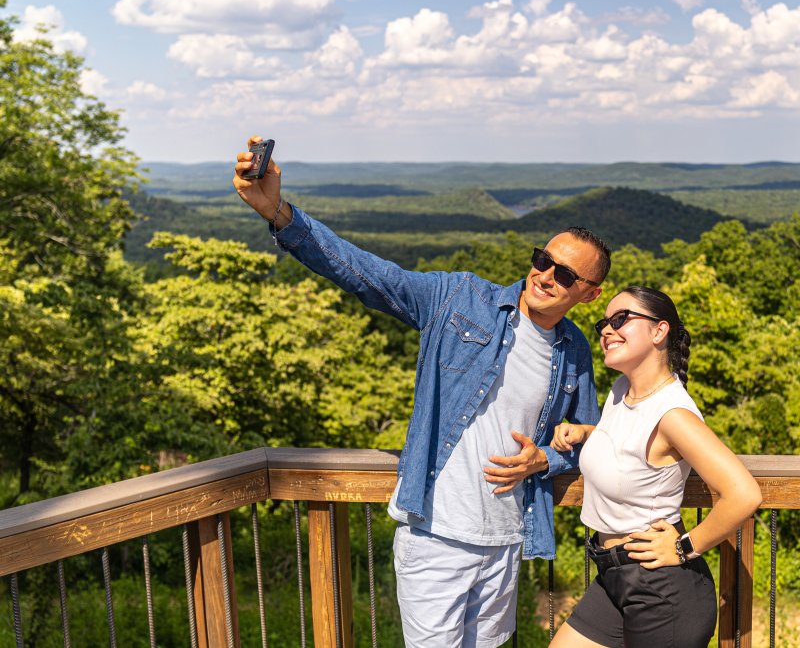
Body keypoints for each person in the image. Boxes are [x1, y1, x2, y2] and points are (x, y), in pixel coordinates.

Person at [232, 136, 607, 647]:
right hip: (436, 535)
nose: (545, 275)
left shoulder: (575, 350)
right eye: (543, 259)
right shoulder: (459, 299)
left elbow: (587, 442)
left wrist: (544, 460)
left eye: (564, 274)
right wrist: (278, 213)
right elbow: (365, 273)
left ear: (588, 292)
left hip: (505, 542)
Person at [548, 286, 762, 648]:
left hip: (661, 589)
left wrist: (684, 548)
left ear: (659, 331)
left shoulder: (673, 414)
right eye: (604, 322)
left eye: (621, 319)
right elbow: (628, 443)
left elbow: (744, 494)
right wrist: (585, 432)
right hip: (613, 575)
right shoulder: (622, 390)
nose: (606, 329)